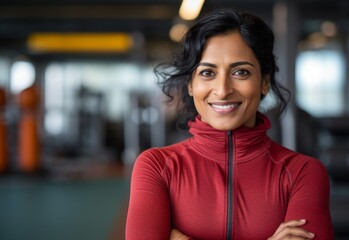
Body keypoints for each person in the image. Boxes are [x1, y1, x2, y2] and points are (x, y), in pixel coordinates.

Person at [126, 8, 334, 240]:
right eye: (207, 73)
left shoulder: (302, 174)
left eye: (240, 72)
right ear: (190, 85)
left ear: (264, 82)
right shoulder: (157, 167)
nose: (223, 90)